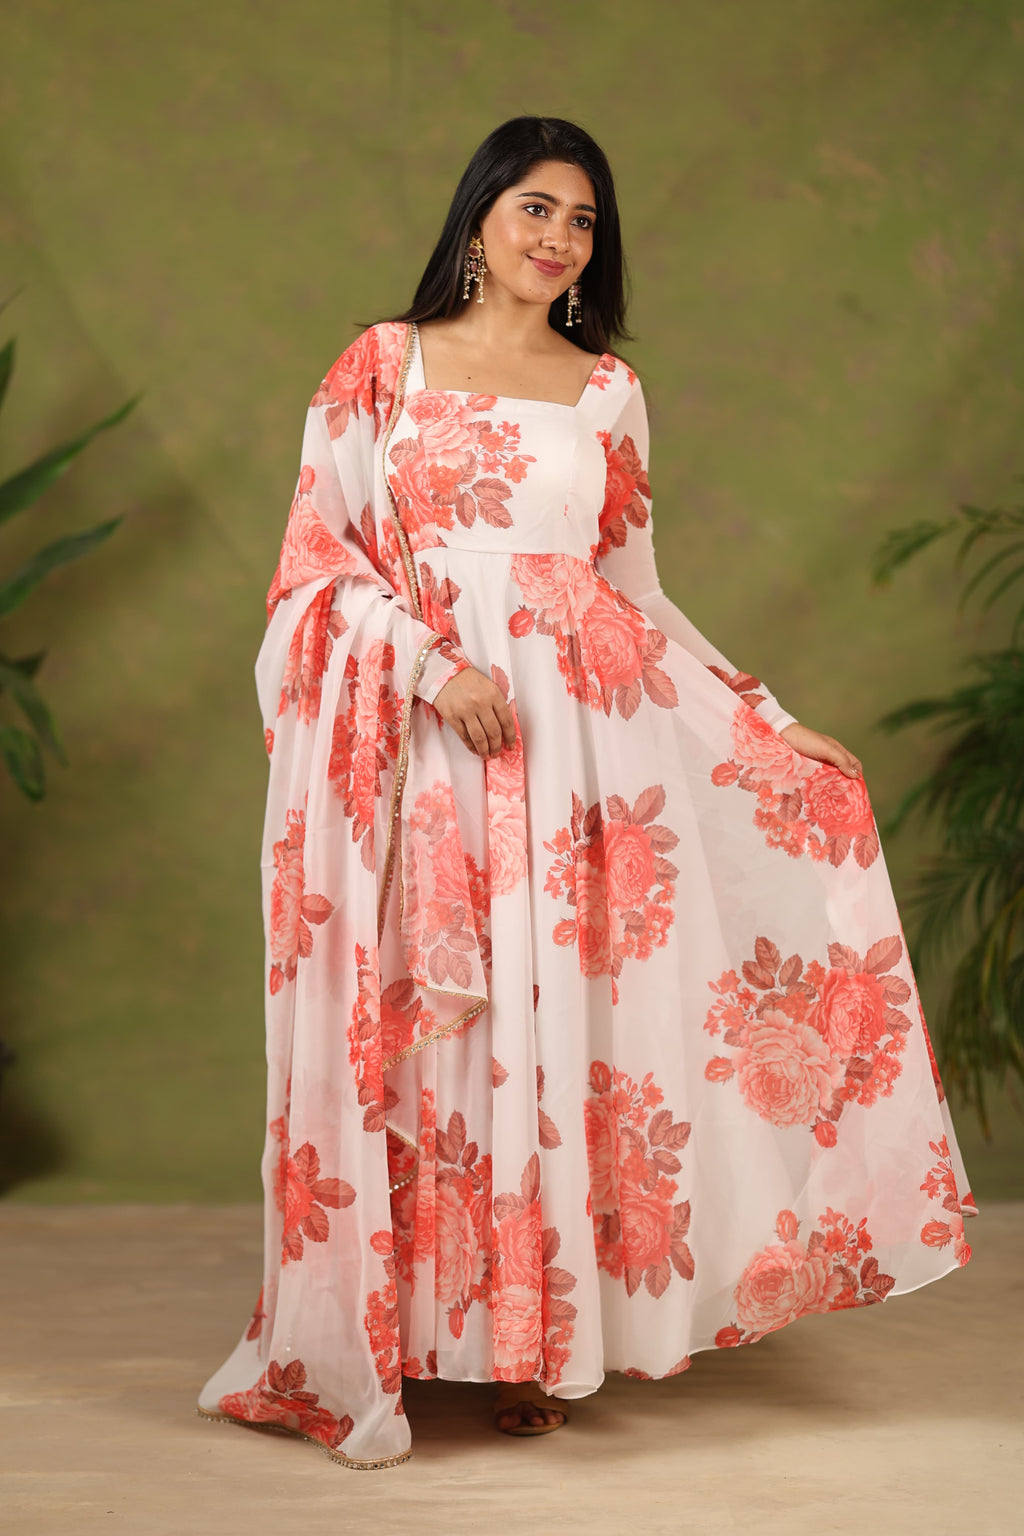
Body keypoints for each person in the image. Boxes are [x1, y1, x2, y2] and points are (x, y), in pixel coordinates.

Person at [197, 116, 976, 1468]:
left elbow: (633, 590)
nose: (558, 238)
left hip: (579, 757)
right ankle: (409, 1335)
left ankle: (535, 1340)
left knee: (556, 1027)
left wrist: (768, 720)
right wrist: (432, 668)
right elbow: (316, 562)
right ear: (479, 216)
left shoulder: (607, 389)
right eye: (536, 208)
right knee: (435, 1023)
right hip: (421, 741)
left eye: (583, 220)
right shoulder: (381, 365)